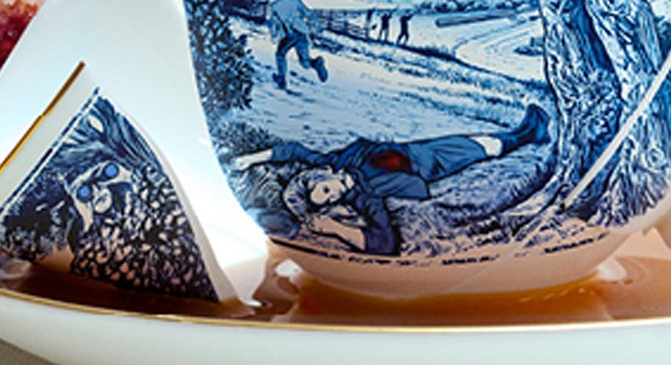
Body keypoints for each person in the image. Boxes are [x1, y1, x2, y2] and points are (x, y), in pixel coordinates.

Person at [230, 105, 551, 255]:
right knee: (480, 148)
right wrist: (338, 229)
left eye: (325, 190)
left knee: (476, 139)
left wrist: (250, 158)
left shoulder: (332, 162)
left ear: (320, 175)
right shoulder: (364, 198)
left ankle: (524, 132)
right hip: (429, 165)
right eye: (329, 199)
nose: (333, 194)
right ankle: (529, 134)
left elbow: (293, 149)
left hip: (416, 149)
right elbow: (384, 242)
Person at [267, 0, 328, 89]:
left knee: (280, 55)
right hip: (301, 33)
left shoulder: (274, 6)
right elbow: (309, 14)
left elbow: (274, 23)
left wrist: (273, 34)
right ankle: (316, 63)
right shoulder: (296, 2)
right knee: (304, 61)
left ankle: (281, 79)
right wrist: (316, 26)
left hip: (288, 35)